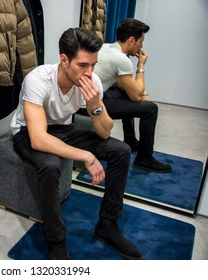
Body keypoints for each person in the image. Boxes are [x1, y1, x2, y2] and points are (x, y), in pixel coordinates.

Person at [10, 27, 142, 260]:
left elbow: (104, 132)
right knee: (50, 165)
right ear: (63, 60)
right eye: (83, 65)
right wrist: (86, 156)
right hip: (27, 132)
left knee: (121, 150)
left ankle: (108, 225)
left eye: (93, 64)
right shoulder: (38, 79)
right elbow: (38, 138)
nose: (89, 72)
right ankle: (56, 241)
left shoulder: (93, 82)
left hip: (61, 129)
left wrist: (95, 106)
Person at [94, 18, 172, 173]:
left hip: (97, 94)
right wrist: (141, 66)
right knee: (151, 109)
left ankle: (130, 140)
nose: (141, 46)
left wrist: (144, 93)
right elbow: (136, 96)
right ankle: (145, 158)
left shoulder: (106, 47)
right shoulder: (122, 60)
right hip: (94, 103)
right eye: (140, 42)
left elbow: (124, 85)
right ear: (131, 40)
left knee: (126, 93)